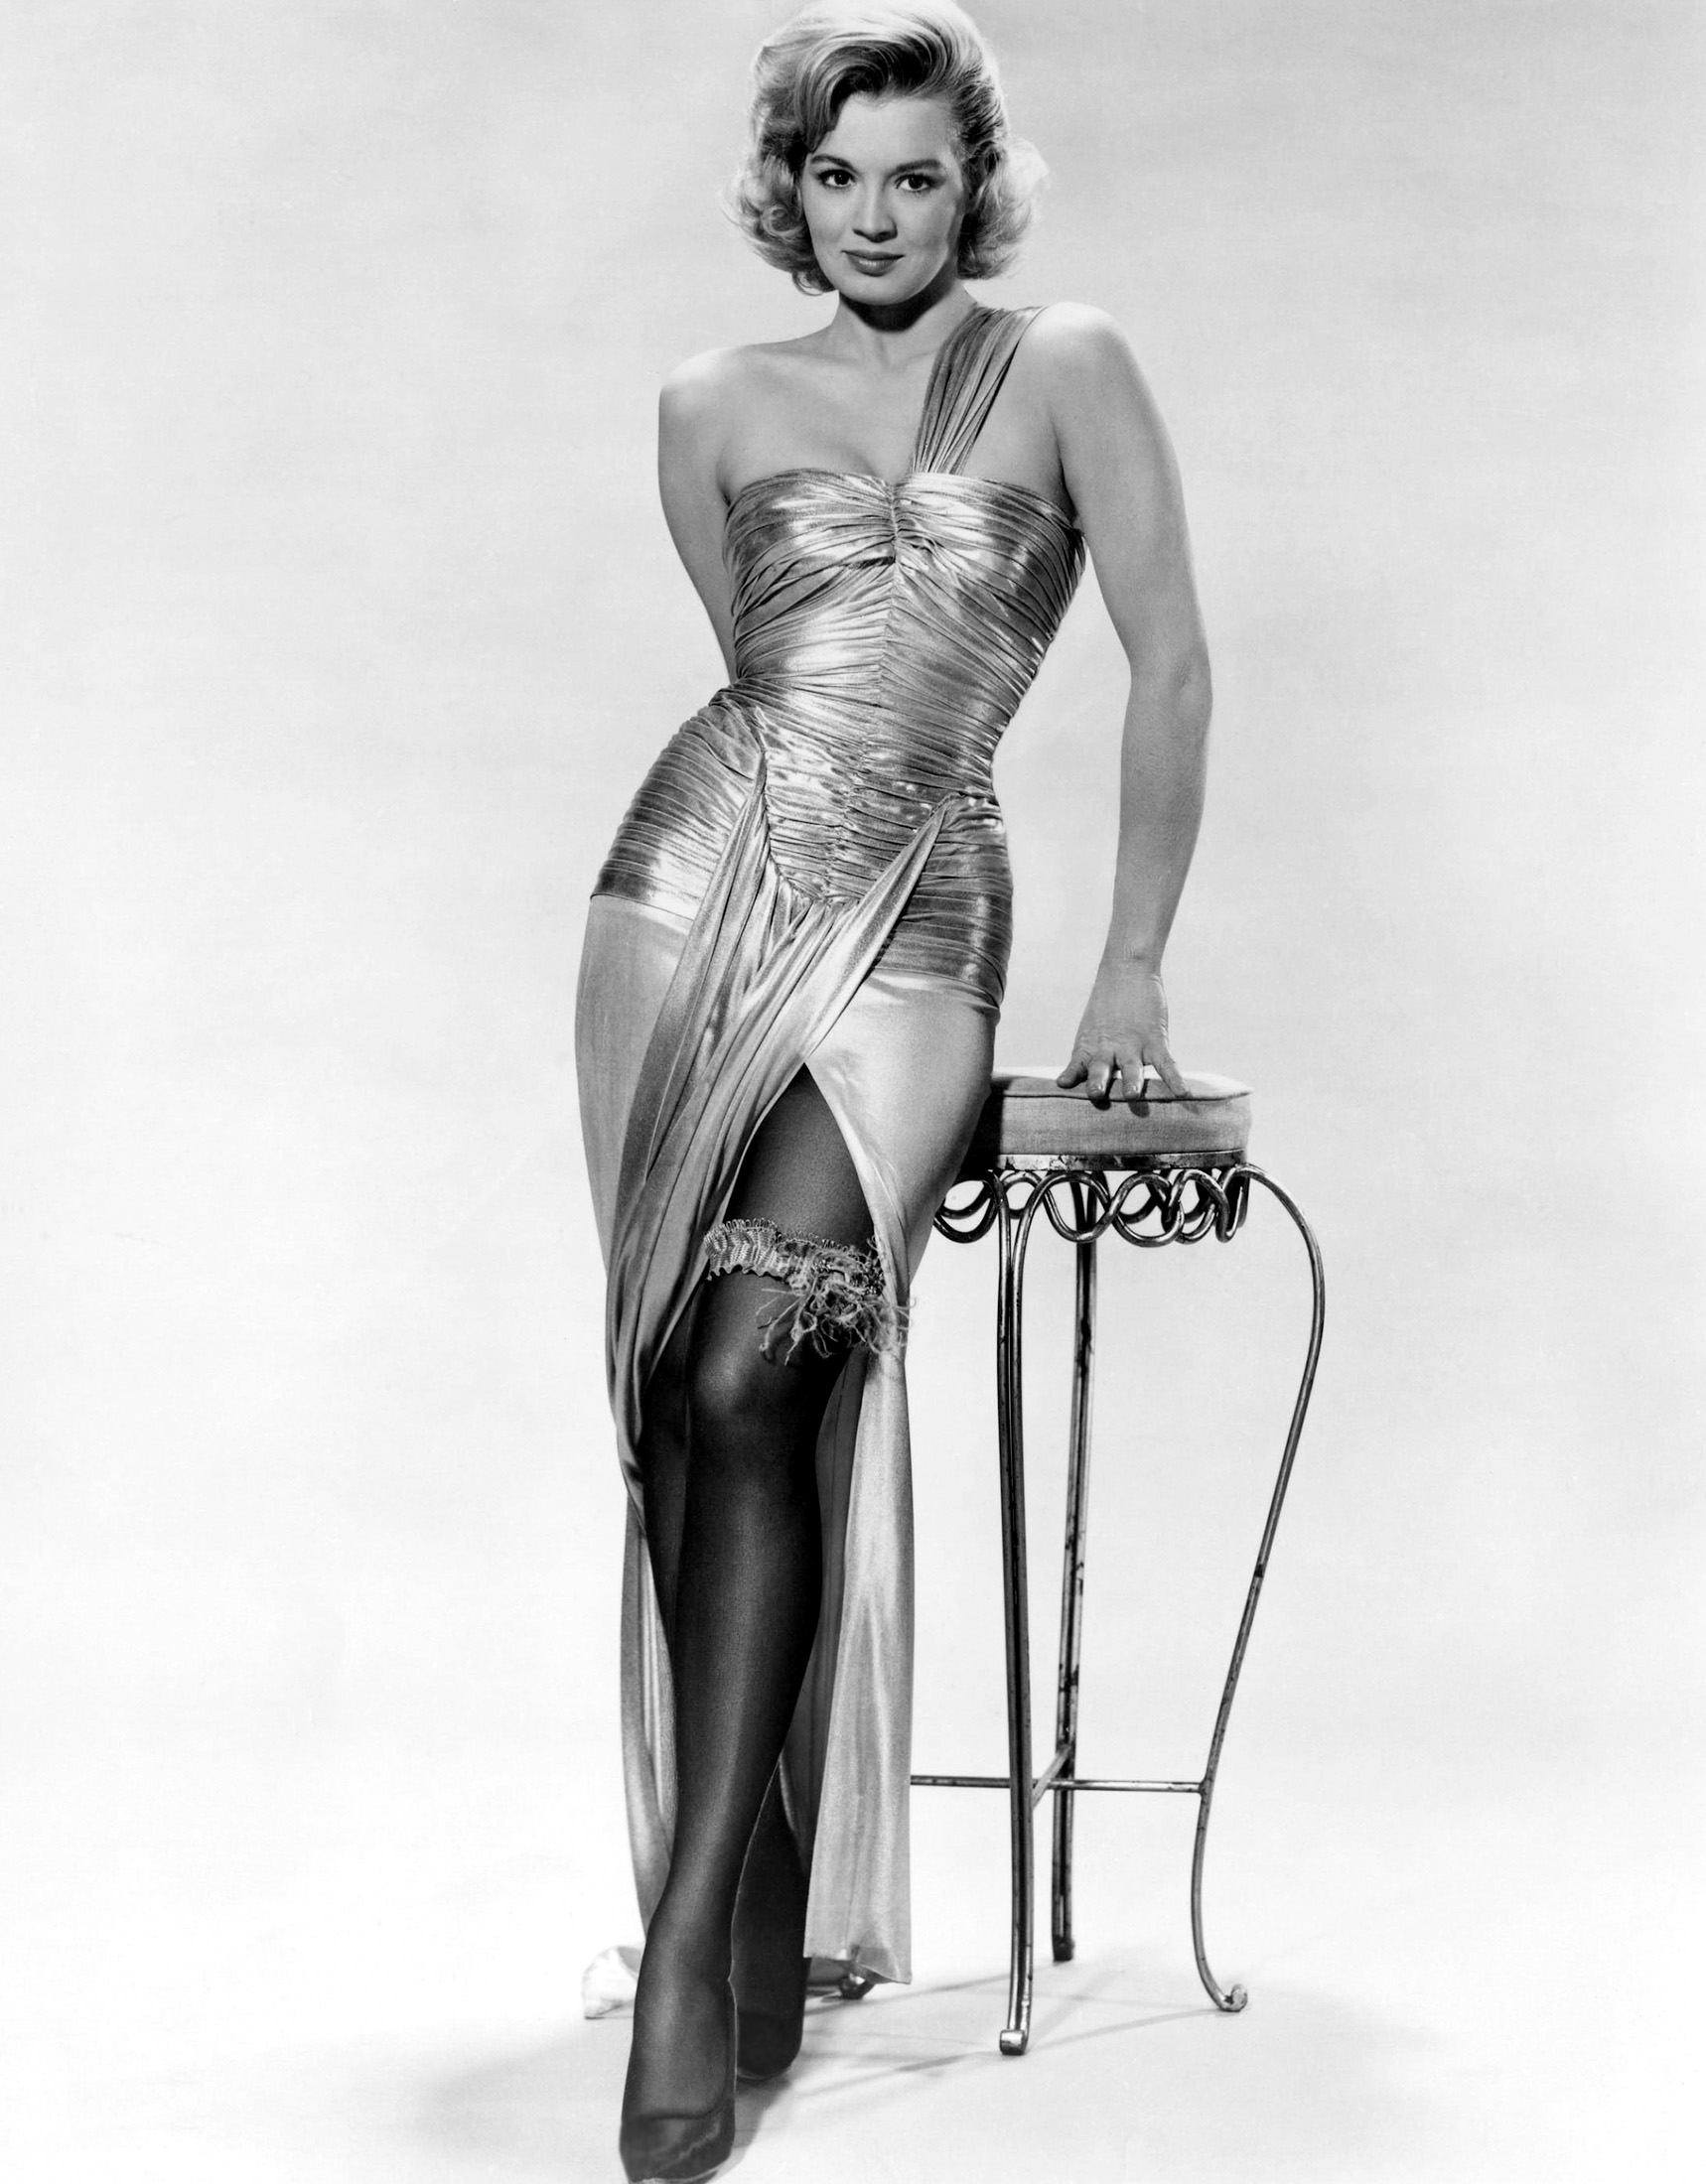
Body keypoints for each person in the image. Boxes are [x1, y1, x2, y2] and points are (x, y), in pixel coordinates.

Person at [575, 5, 1210, 2174]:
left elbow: (1169, 662)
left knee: (759, 1366)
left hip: (925, 909)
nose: (873, 214)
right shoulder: (707, 403)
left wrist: (1130, 959)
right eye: (837, 174)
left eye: (916, 175)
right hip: (688, 893)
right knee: (682, 1397)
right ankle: (739, 1887)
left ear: (974, 184)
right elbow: (770, 690)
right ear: (789, 183)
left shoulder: (1065, 365)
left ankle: (693, 1942)